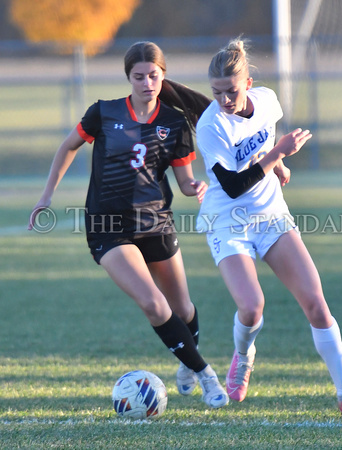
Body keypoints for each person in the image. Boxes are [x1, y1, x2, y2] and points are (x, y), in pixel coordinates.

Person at [28, 41, 229, 409]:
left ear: (162, 76)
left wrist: (194, 187)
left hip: (156, 222)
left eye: (153, 76)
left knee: (182, 309)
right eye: (139, 77)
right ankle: (205, 374)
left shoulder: (173, 121)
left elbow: (184, 181)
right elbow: (68, 146)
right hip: (108, 225)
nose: (147, 83)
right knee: (154, 304)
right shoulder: (103, 113)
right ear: (129, 78)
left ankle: (187, 363)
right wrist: (46, 195)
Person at [195, 37, 342, 420]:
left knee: (316, 303)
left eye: (231, 91)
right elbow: (232, 185)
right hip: (227, 220)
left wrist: (276, 166)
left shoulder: (267, 101)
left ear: (247, 83)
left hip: (271, 214)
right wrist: (278, 154)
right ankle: (243, 356)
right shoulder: (211, 125)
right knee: (251, 306)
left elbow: (260, 141)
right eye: (216, 92)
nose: (224, 100)